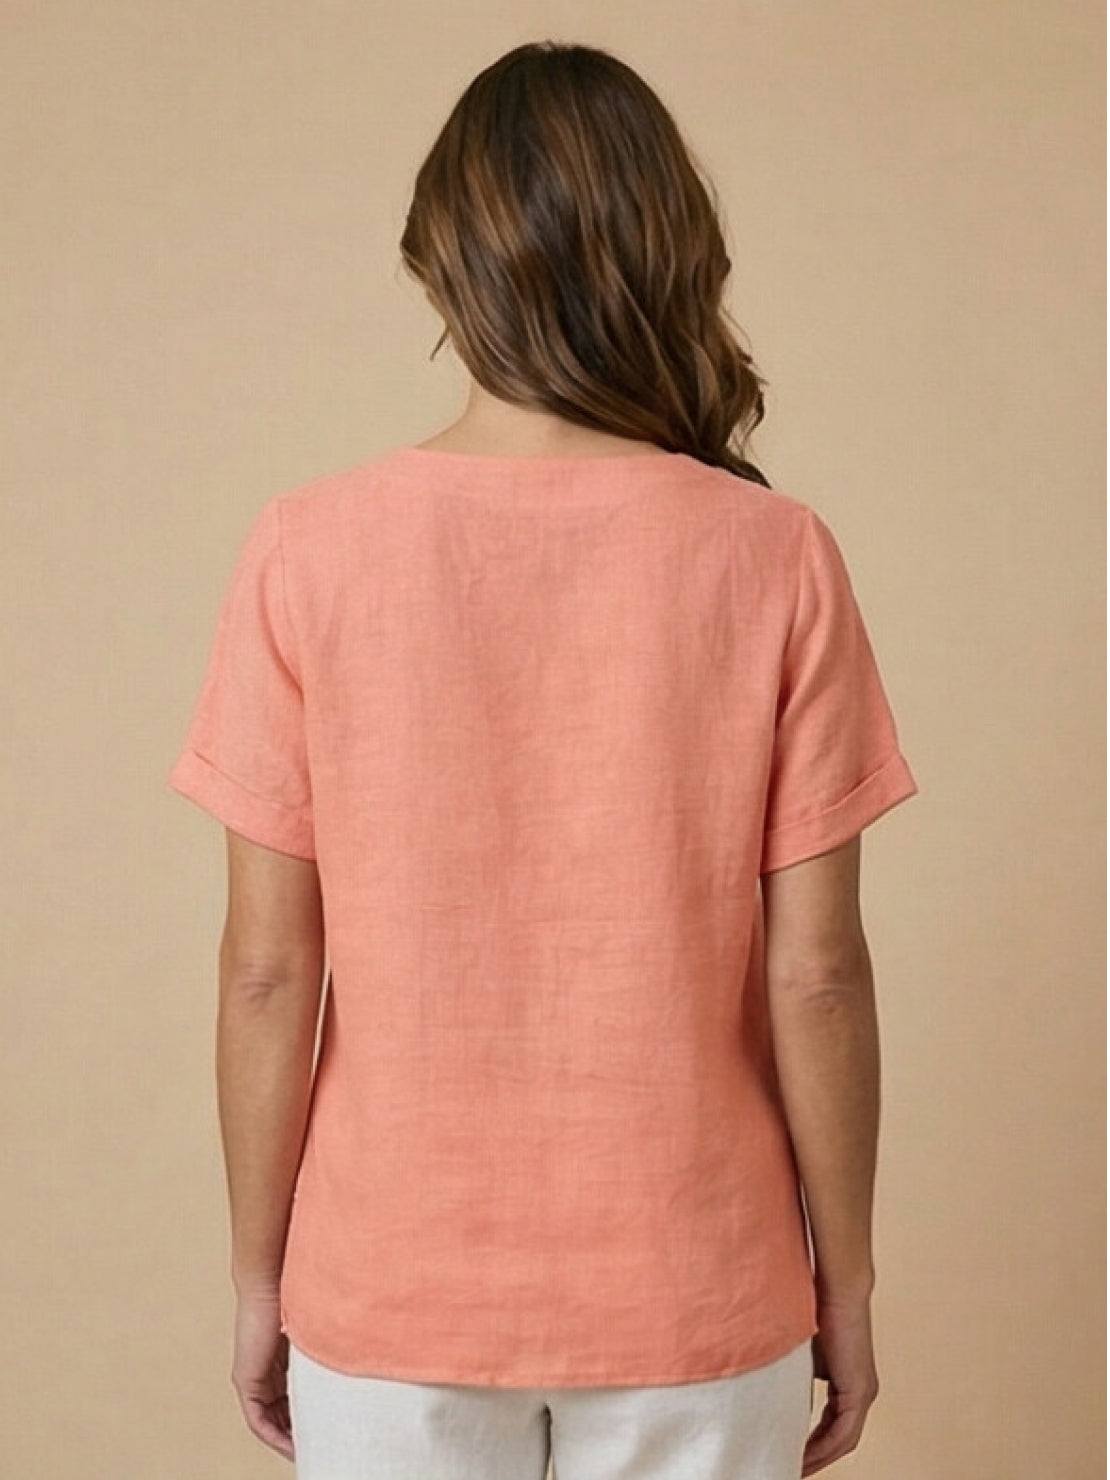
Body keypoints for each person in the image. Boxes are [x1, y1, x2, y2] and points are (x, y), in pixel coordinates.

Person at [167, 39, 919, 1480]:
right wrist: (848, 1285)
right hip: (699, 1285)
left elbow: (267, 969)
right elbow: (817, 972)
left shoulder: (307, 548)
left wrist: (262, 1279)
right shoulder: (775, 555)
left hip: (388, 1291)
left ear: (441, 263)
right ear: (672, 258)